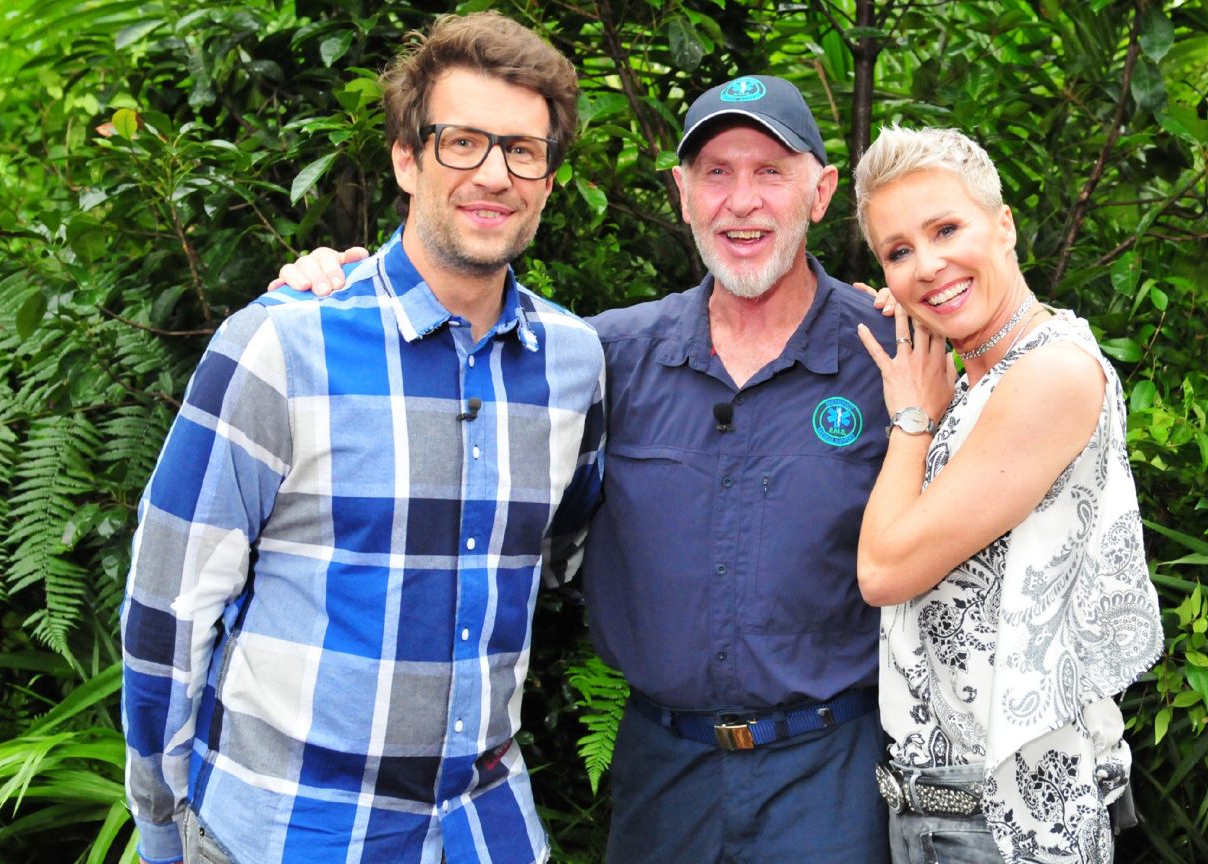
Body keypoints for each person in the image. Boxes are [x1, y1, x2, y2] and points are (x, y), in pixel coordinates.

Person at [276, 75, 896, 863]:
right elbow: (454, 376)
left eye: (770, 171)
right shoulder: (599, 358)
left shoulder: (891, 354)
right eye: (715, 172)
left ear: (821, 192)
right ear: (682, 193)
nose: (742, 201)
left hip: (831, 776)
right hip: (661, 775)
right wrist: (335, 290)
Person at [120, 13, 605, 864]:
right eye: (462, 142)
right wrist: (163, 825)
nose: (495, 174)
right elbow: (170, 604)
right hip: (290, 828)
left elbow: (562, 556)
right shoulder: (283, 345)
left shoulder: (572, 363)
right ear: (406, 158)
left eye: (524, 151)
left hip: (482, 828)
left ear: (550, 178)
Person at [850, 125, 1163, 864]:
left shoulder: (1048, 373)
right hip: (939, 808)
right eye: (898, 252)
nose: (927, 266)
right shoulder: (984, 378)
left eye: (946, 228)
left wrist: (913, 417)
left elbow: (884, 571)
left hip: (1007, 821)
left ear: (1004, 224)